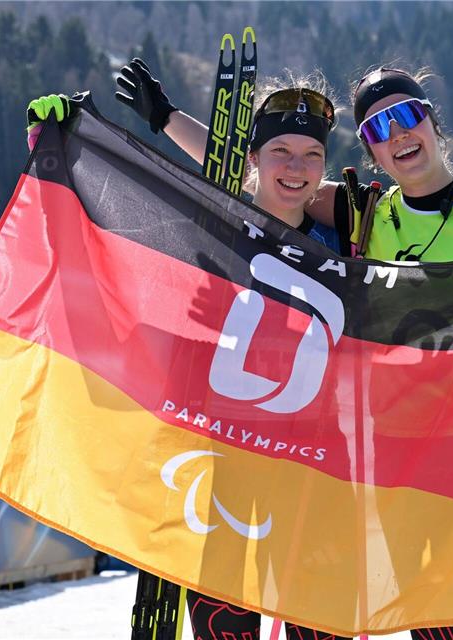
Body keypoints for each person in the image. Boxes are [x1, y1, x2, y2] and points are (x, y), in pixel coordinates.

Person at [114, 60, 453, 640]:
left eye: (408, 116)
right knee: (440, 626)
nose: (398, 135)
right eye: (377, 130)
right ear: (370, 153)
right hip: (409, 462)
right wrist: (166, 120)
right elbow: (273, 174)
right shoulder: (366, 213)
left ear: (434, 125)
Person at [28, 69, 349, 640]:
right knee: (224, 626)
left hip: (311, 470)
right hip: (219, 461)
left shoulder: (347, 235)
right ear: (253, 158)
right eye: (280, 151)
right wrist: (56, 143)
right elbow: (110, 219)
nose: (296, 168)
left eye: (311, 154)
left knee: (317, 629)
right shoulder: (210, 225)